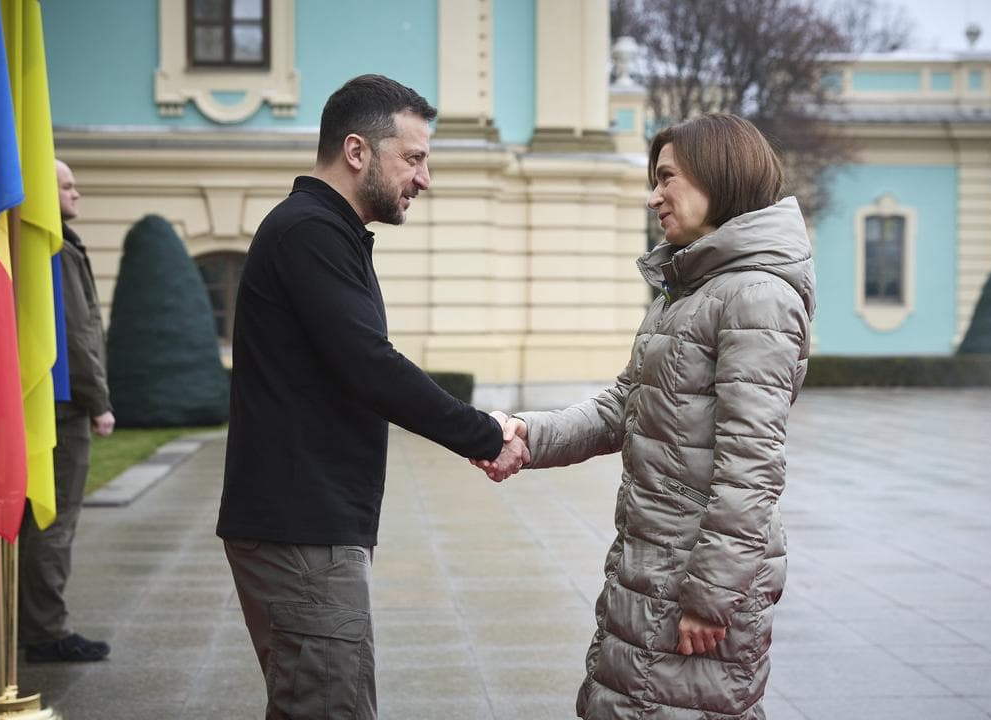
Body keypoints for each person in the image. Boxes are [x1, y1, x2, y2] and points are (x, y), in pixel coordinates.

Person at [480, 113, 816, 719]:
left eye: (667, 178)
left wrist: (710, 597)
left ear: (720, 177)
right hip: (655, 564)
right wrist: (532, 436)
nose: (652, 195)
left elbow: (752, 469)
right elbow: (624, 404)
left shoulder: (754, 296)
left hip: (693, 579)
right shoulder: (693, 287)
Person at [217, 74, 527, 720]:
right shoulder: (310, 232)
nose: (425, 178)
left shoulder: (323, 230)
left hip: (305, 525)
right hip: (300, 531)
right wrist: (486, 434)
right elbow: (371, 366)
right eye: (414, 158)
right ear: (357, 151)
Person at [17, 159, 116, 663]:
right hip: (62, 408)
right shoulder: (58, 248)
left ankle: (29, 623)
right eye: (67, 185)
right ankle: (45, 632)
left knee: (31, 522)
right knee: (52, 523)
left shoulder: (32, 241)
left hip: (36, 403)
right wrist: (99, 402)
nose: (77, 193)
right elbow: (78, 334)